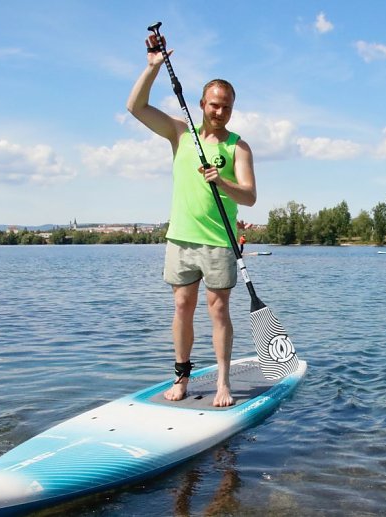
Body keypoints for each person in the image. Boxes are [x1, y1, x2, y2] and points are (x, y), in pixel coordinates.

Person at [126, 33, 257, 407]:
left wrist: (223, 180)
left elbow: (249, 196)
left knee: (218, 309)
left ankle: (223, 383)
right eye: (215, 105)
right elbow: (135, 107)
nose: (220, 112)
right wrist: (152, 67)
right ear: (202, 104)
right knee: (182, 306)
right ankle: (181, 377)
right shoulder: (180, 134)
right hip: (180, 239)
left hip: (219, 242)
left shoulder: (238, 146)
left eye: (227, 107)